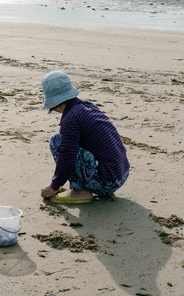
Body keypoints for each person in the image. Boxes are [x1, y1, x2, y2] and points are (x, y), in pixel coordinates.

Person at [40, 70, 130, 204]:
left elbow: (67, 158)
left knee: (56, 141)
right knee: (68, 141)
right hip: (122, 173)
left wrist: (54, 186)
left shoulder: (70, 119)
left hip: (108, 182)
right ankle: (84, 185)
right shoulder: (86, 106)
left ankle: (80, 191)